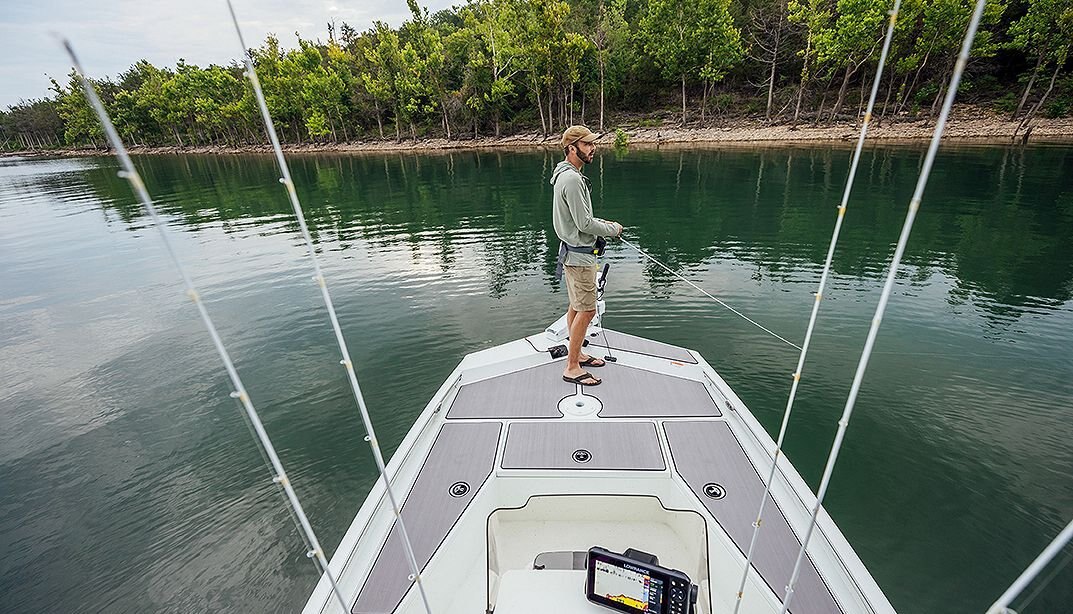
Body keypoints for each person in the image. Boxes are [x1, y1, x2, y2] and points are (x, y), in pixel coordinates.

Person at [551, 125, 623, 386]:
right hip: (580, 258)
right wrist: (612, 229)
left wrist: (601, 223)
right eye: (587, 144)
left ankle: (577, 353)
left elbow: (581, 218)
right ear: (572, 148)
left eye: (593, 143)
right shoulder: (571, 179)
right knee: (588, 311)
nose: (593, 148)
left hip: (573, 255)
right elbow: (583, 224)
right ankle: (571, 367)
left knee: (575, 306)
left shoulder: (566, 175)